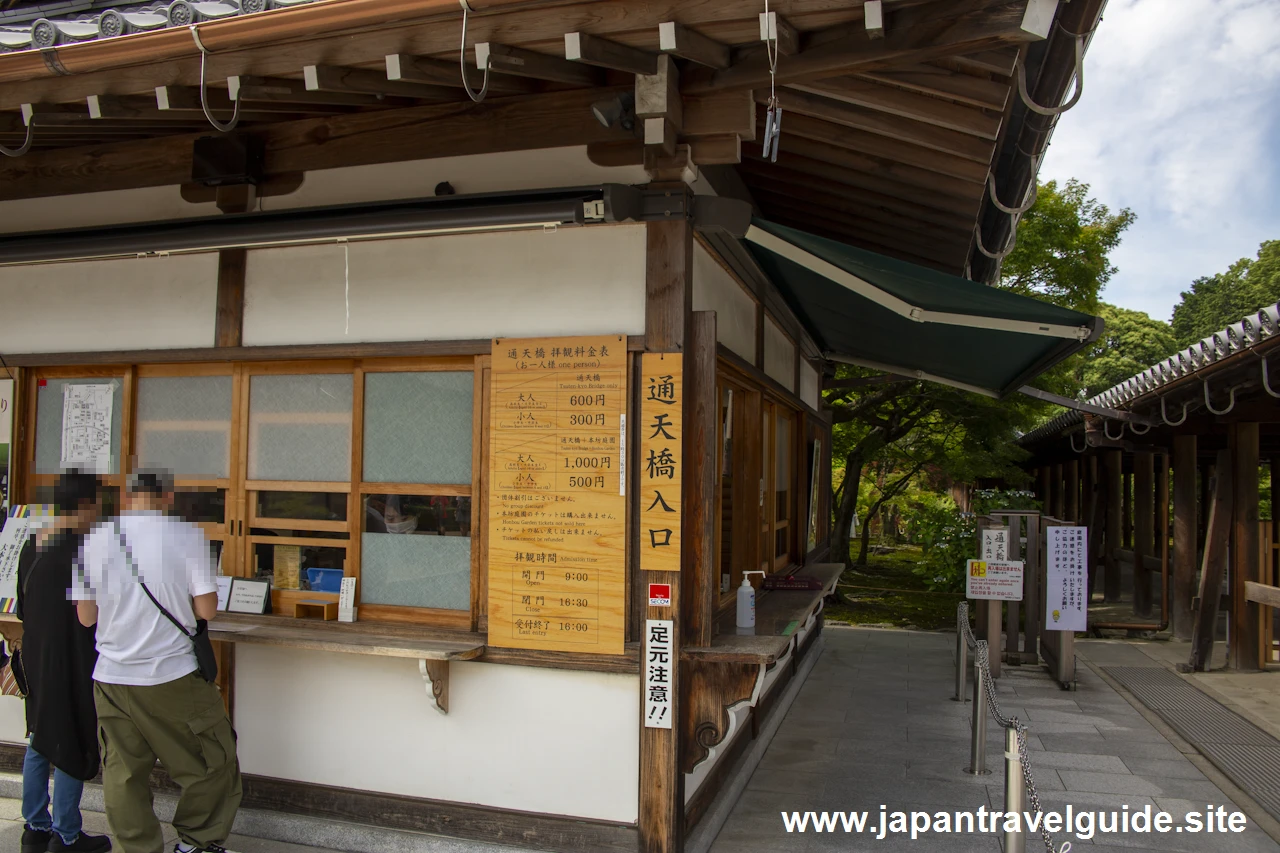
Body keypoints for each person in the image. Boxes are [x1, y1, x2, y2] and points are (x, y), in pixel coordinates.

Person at [74, 470, 241, 853]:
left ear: (129, 498)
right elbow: (207, 610)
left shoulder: (94, 538)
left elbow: (86, 616)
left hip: (111, 676)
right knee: (212, 760)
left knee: (123, 772)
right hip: (171, 674)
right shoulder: (186, 535)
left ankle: (139, 848)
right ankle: (197, 843)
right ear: (167, 499)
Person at [15, 470, 112, 853]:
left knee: (40, 736)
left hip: (38, 653)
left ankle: (35, 828)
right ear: (87, 504)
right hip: (74, 655)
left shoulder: (32, 544)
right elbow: (93, 614)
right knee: (72, 734)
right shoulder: (85, 548)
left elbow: (23, 607)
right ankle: (67, 834)